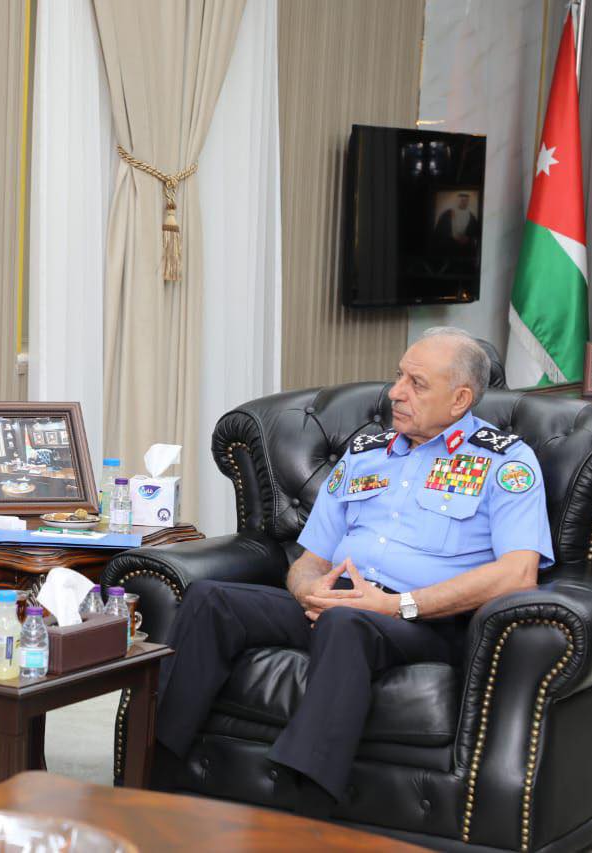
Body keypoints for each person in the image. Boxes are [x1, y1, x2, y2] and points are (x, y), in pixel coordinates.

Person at [153, 327, 552, 814]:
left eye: (417, 384)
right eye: (399, 376)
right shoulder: (365, 454)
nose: (396, 392)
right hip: (338, 602)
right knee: (210, 599)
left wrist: (396, 605)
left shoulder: (505, 462)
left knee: (347, 622)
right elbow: (312, 559)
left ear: (460, 399)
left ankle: (303, 807)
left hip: (423, 619)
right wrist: (308, 589)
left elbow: (517, 574)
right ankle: (153, 772)